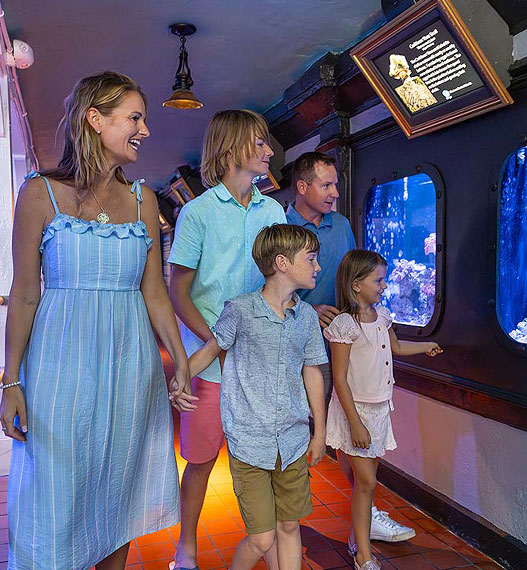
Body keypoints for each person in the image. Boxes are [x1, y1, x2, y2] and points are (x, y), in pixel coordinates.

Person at [0, 71, 194, 570]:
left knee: (118, 497)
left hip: (131, 370)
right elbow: (23, 295)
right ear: (95, 119)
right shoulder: (39, 193)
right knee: (55, 495)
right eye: (134, 118)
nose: (145, 130)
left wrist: (182, 362)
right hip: (59, 370)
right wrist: (11, 380)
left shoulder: (142, 200)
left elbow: (154, 290)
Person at [168, 109, 287, 570]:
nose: (268, 151)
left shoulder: (273, 211)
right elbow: (178, 291)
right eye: (259, 143)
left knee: (263, 462)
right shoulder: (196, 213)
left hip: (261, 362)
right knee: (199, 461)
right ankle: (187, 548)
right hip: (211, 363)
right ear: (233, 147)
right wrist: (218, 338)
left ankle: (268, 546)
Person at [287, 152, 414, 545]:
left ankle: (365, 512)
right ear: (302, 187)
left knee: (342, 429)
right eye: (326, 185)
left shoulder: (340, 224)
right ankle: (286, 517)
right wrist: (308, 308)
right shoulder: (277, 224)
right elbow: (266, 282)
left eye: (335, 185)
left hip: (336, 345)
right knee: (293, 425)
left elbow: (353, 277)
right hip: (290, 343)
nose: (335, 194)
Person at [187, 224, 328, 570]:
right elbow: (209, 351)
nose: (317, 267)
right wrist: (177, 380)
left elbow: (312, 371)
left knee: (291, 525)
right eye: (310, 259)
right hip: (249, 441)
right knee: (262, 538)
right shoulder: (240, 309)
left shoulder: (307, 317)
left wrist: (320, 432)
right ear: (282, 262)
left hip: (293, 440)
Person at [324, 249, 443, 570]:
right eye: (378, 280)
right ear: (356, 284)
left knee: (367, 480)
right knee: (366, 483)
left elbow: (397, 347)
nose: (384, 286)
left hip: (378, 411)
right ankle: (363, 554)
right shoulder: (344, 325)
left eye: (384, 280)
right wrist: (355, 424)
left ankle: (356, 537)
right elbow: (338, 378)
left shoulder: (383, 317)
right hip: (355, 412)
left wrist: (426, 346)